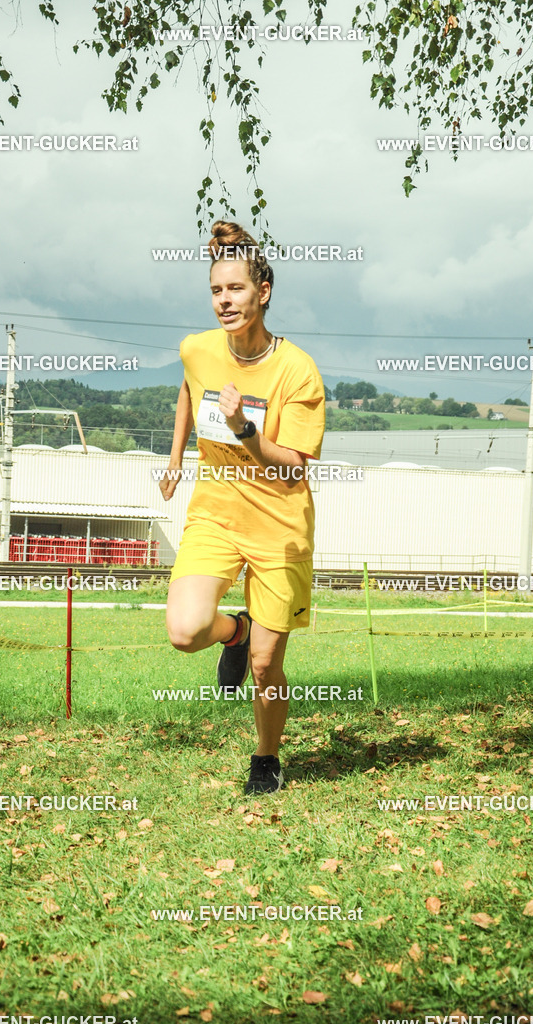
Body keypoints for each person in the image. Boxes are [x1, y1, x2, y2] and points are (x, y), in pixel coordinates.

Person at [160, 221, 325, 795]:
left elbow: (295, 467)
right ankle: (233, 631)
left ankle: (266, 759)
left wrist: (245, 430)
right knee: (184, 629)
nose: (224, 301)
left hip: (280, 526)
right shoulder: (198, 348)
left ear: (264, 290)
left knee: (264, 665)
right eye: (215, 290)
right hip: (216, 512)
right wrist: (176, 456)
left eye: (235, 289)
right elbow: (187, 387)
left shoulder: (297, 370)